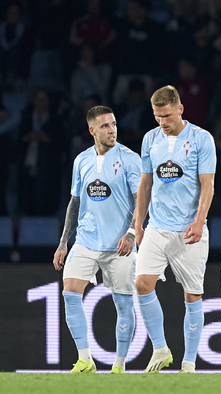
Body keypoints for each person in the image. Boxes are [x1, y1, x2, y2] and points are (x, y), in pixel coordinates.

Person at [52, 105, 141, 374]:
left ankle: (119, 364)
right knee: (70, 293)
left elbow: (142, 201)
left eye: (113, 124)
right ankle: (85, 359)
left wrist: (132, 233)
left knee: (123, 302)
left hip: (120, 245)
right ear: (92, 130)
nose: (111, 129)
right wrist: (64, 242)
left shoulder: (130, 159)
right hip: (87, 241)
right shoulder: (81, 160)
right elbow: (75, 202)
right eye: (104, 126)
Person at [134, 85, 216, 373]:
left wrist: (200, 219)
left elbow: (208, 184)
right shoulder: (150, 139)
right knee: (142, 284)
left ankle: (190, 362)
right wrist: (138, 224)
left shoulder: (201, 139)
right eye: (157, 117)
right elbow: (145, 184)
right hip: (157, 226)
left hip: (189, 229)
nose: (162, 122)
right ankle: (160, 349)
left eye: (167, 116)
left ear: (180, 109)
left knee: (192, 295)